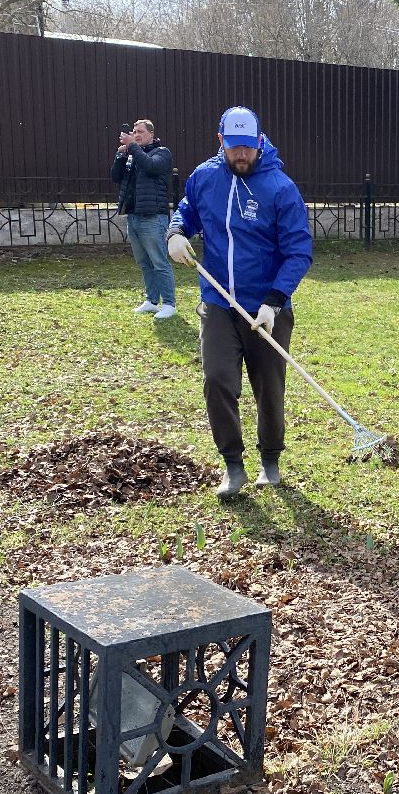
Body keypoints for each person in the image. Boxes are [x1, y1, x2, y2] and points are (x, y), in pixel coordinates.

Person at [166, 106, 312, 499]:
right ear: (221, 143)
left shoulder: (280, 188)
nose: (242, 155)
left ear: (260, 142)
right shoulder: (204, 178)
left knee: (269, 388)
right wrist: (176, 232)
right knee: (217, 380)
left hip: (266, 306)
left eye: (248, 147)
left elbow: (299, 251)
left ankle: (271, 460)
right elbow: (188, 212)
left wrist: (274, 300)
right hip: (218, 302)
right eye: (234, 148)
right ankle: (233, 465)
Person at [112, 118, 177, 320]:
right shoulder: (133, 154)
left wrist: (132, 146)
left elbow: (150, 167)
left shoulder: (162, 153)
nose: (136, 134)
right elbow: (115, 176)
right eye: (134, 131)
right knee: (144, 262)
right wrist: (120, 156)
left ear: (151, 134)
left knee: (159, 261)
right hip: (134, 215)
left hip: (153, 217)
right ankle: (151, 301)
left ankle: (169, 304)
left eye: (140, 131)